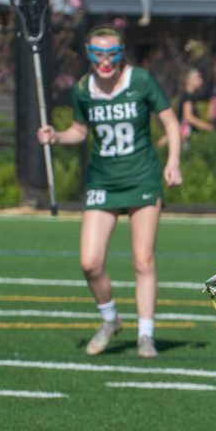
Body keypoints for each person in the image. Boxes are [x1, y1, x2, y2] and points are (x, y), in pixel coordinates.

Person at [38, 27, 183, 358]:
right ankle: (110, 319)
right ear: (88, 53)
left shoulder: (141, 81)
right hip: (103, 182)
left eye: (112, 54)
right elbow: (79, 130)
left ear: (122, 53)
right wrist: (56, 137)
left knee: (143, 260)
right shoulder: (82, 91)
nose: (105, 61)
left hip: (142, 179)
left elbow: (171, 124)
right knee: (90, 262)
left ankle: (146, 334)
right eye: (98, 54)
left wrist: (173, 162)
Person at [175, 68, 215, 146]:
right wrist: (207, 127)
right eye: (198, 77)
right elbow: (188, 117)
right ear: (189, 80)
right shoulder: (187, 97)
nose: (201, 80)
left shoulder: (190, 97)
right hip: (186, 135)